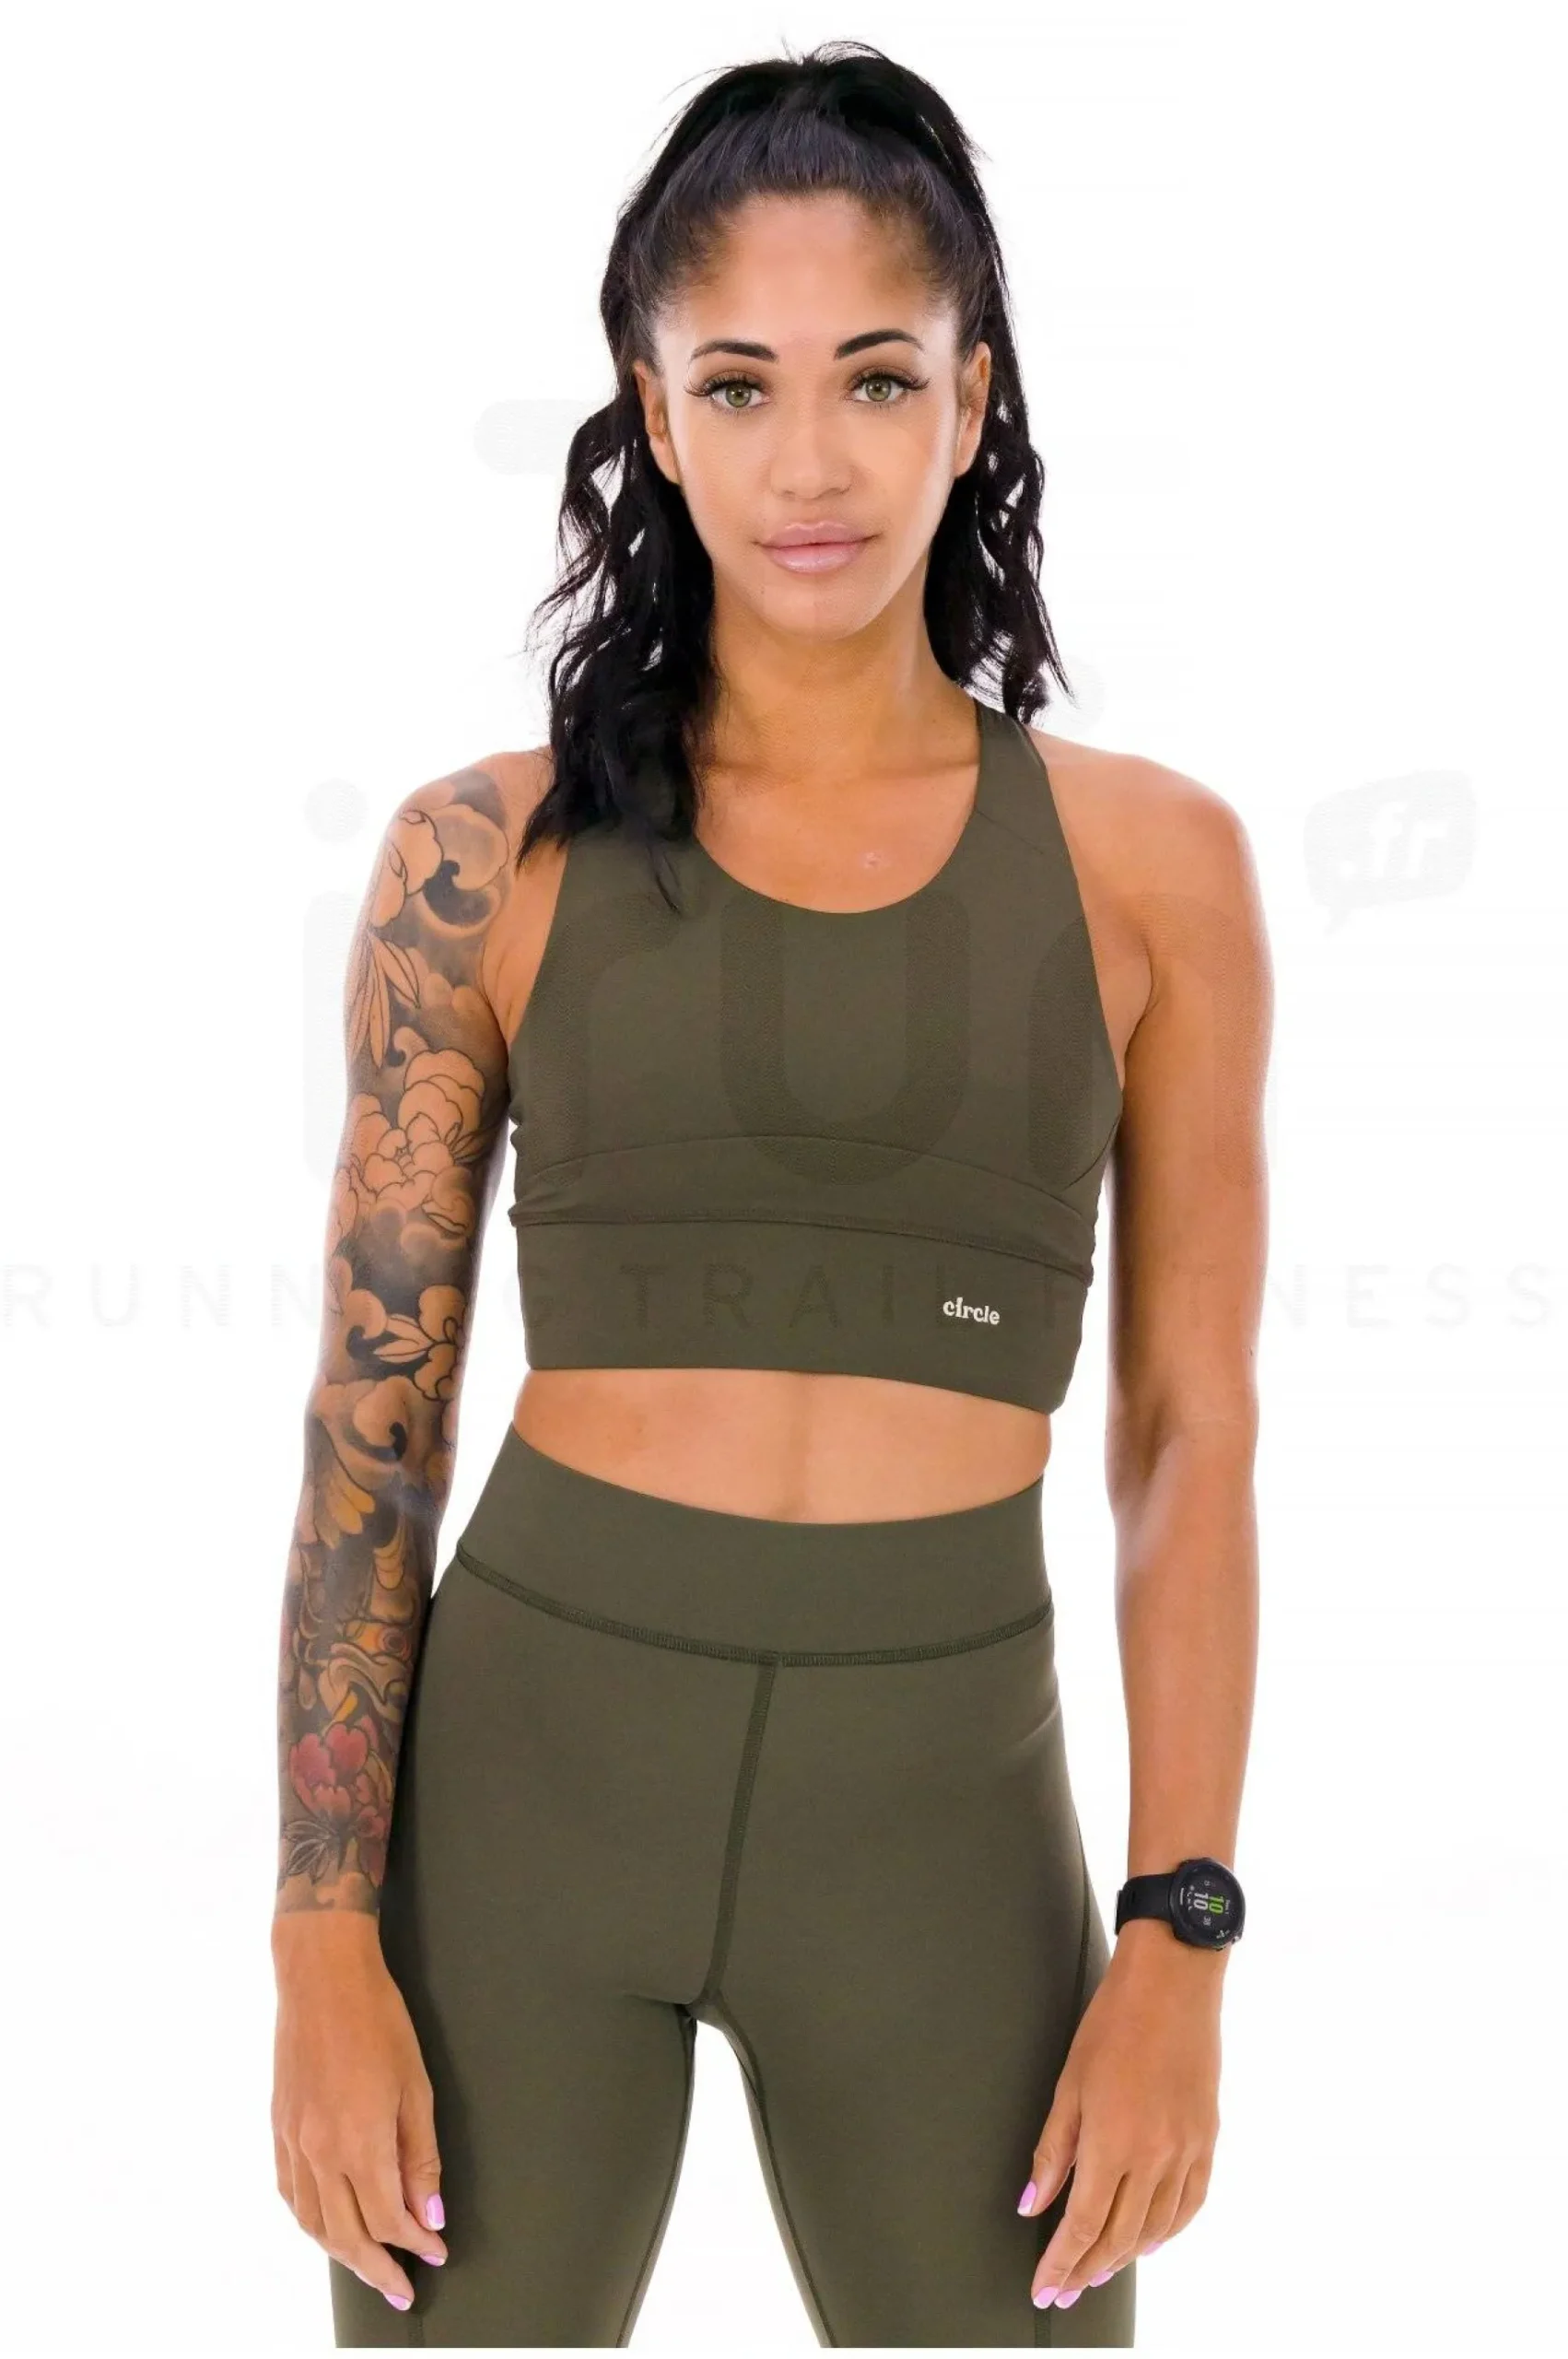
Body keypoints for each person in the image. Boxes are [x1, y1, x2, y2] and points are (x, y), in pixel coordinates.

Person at [271, 40, 1269, 2350]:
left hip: (940, 1812)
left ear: (971, 398)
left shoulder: (1154, 867)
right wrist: (319, 1938)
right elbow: (372, 1425)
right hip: (524, 1792)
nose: (806, 461)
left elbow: (1182, 1431)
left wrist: (1178, 1928)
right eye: (734, 383)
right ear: (650, 408)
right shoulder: (482, 854)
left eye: (873, 377)